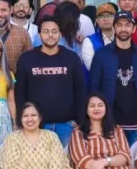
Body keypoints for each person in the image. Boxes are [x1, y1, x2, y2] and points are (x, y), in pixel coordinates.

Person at [15, 15, 87, 146]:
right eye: (46, 31)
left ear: (60, 34)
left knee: (66, 164)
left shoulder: (72, 58)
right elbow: (20, 93)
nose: (50, 35)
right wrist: (22, 120)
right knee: (39, 165)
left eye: (54, 31)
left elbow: (80, 90)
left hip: (66, 125)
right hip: (37, 126)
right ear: (39, 35)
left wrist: (79, 120)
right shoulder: (27, 59)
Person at [88, 10, 137, 143]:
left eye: (127, 25)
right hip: (110, 122)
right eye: (119, 25)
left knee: (135, 162)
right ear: (114, 28)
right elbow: (93, 87)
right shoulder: (102, 55)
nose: (123, 29)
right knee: (113, 162)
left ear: (133, 29)